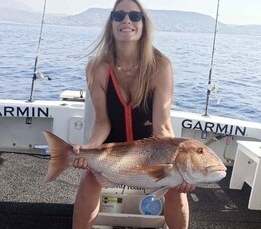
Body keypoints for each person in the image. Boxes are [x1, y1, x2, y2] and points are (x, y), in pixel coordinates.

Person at [72, 0, 194, 228]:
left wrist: (178, 170)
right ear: (111, 24)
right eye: (118, 16)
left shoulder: (160, 66)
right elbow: (102, 122)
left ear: (143, 25)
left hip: (151, 149)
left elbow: (162, 127)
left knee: (177, 190)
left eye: (134, 16)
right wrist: (90, 148)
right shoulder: (97, 68)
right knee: (88, 181)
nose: (126, 20)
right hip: (113, 148)